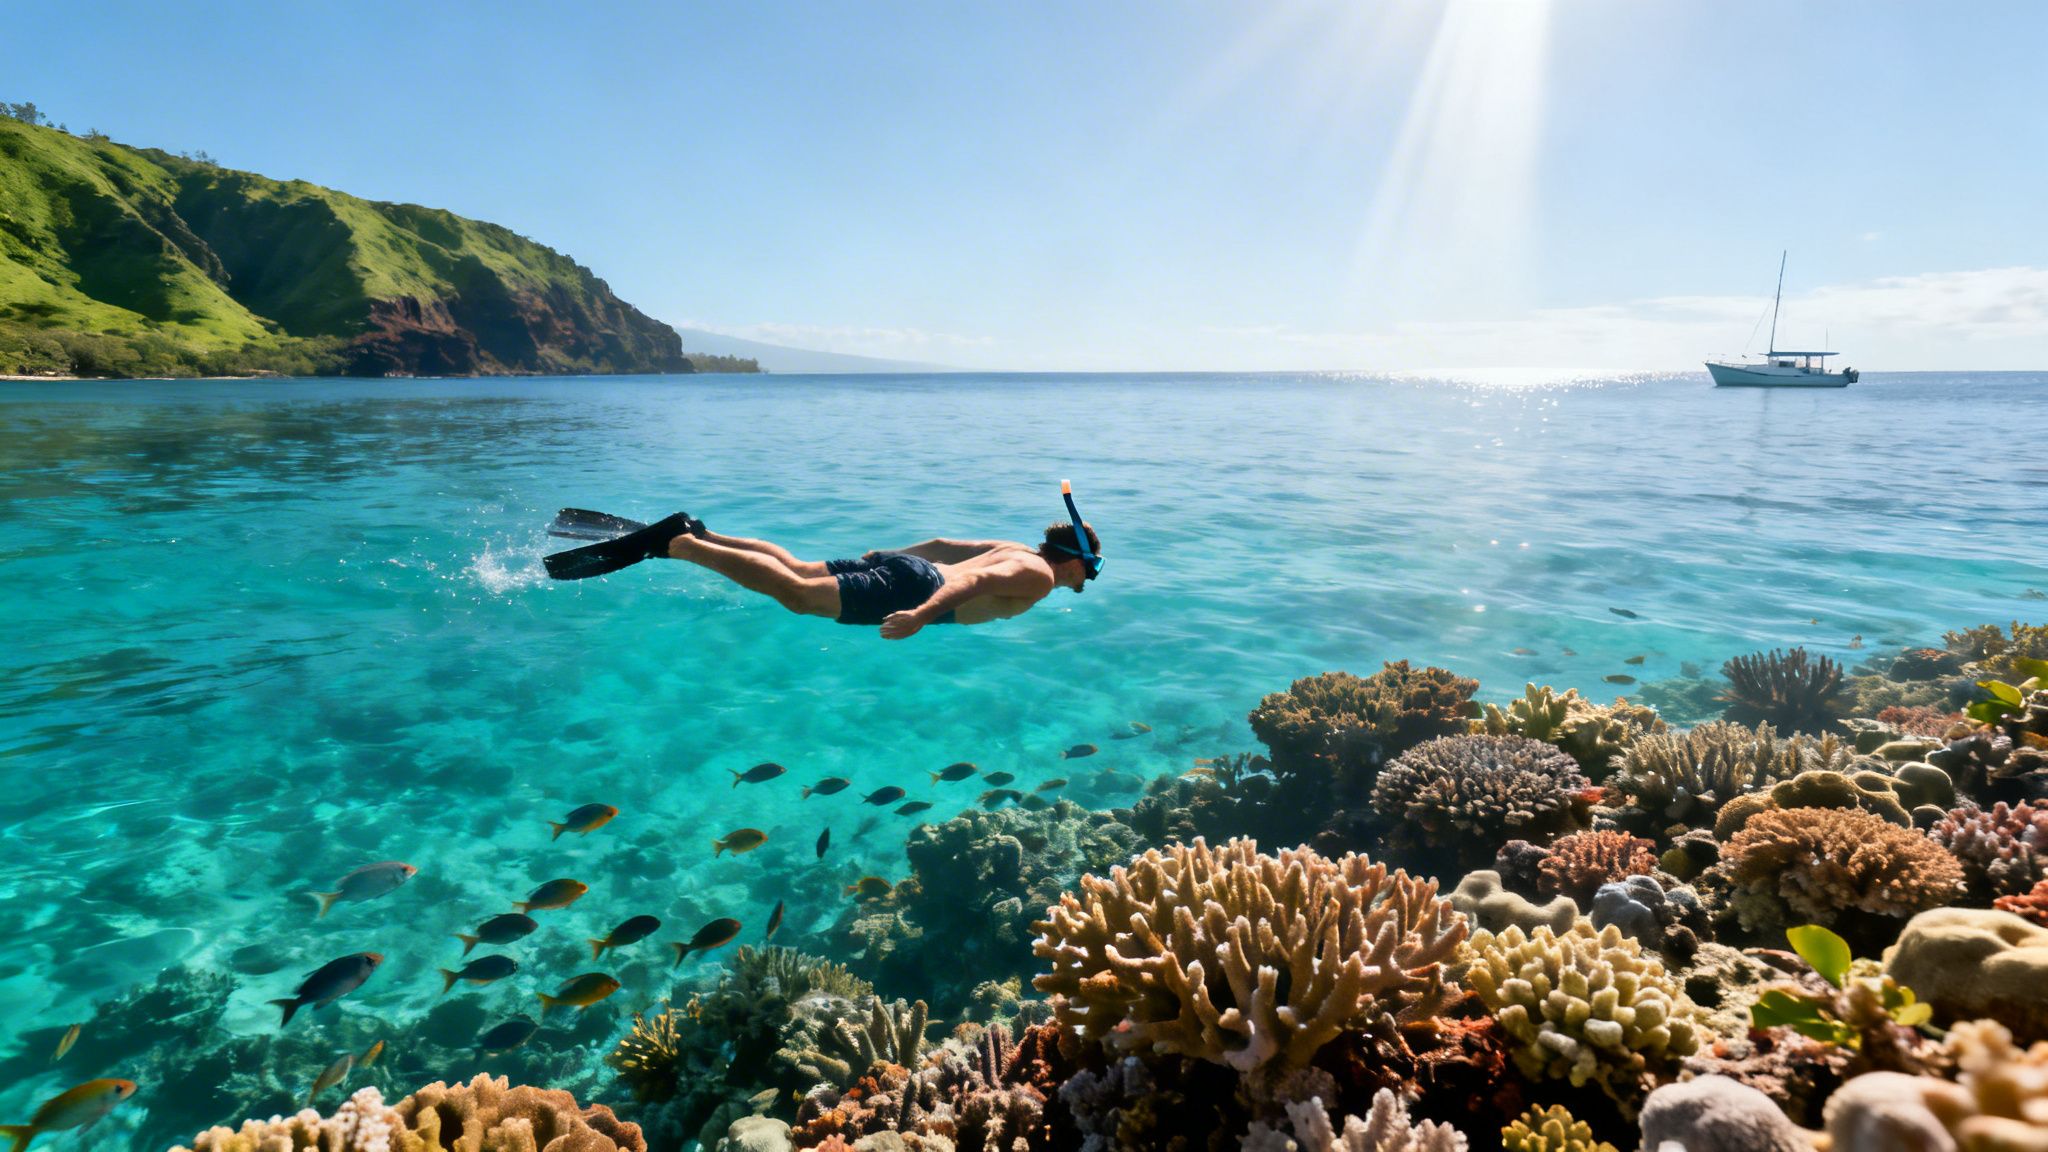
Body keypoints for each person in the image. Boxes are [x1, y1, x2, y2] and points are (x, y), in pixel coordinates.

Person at [664, 519, 1099, 639]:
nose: (1084, 583)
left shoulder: (1015, 548)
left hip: (910, 569)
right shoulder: (1038, 575)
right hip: (919, 590)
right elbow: (975, 585)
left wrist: (893, 555)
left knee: (795, 566)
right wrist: (920, 616)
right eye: (1090, 572)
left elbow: (944, 545)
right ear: (1075, 563)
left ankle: (706, 534)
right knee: (797, 594)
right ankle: (684, 545)